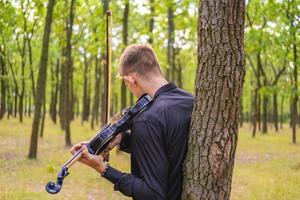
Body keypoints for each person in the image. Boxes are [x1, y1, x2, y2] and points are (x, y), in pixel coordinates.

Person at [70, 44, 194, 199]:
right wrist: (122, 139)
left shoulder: (147, 119)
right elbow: (169, 145)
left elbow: (153, 194)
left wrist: (102, 168)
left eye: (125, 83)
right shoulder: (191, 101)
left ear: (131, 79)